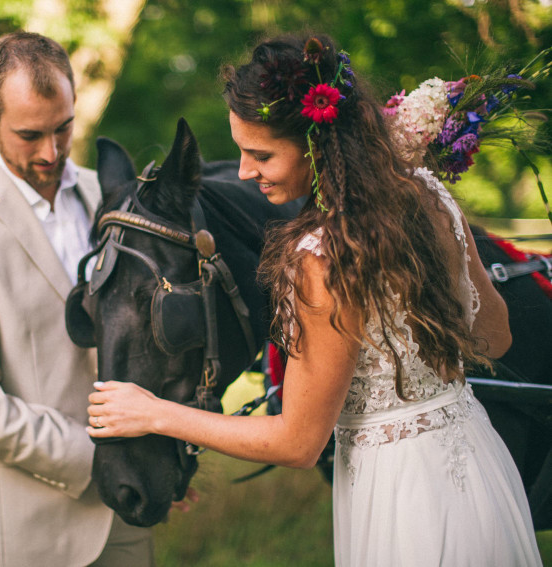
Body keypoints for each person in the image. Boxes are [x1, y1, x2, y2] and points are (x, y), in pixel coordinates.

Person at [87, 33, 542, 565]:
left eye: (261, 155)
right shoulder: (427, 194)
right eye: (239, 151)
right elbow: (495, 337)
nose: (242, 172)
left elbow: (297, 443)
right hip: (478, 466)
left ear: (318, 145)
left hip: (403, 492)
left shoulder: (320, 258)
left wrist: (154, 413)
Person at [0, 31, 154, 567]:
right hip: (25, 530)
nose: (51, 152)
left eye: (63, 127)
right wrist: (102, 458)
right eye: (30, 134)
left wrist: (155, 454)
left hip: (126, 513)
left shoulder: (114, 198)